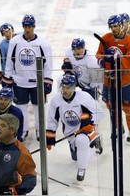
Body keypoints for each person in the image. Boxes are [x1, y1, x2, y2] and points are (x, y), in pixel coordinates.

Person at [0, 14, 53, 141]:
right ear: (23, 27)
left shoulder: (43, 44)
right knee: (21, 108)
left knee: (38, 108)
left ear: (34, 27)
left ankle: (40, 130)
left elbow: (48, 64)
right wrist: (7, 77)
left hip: (37, 83)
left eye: (30, 26)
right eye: (25, 26)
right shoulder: (15, 42)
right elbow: (10, 61)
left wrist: (47, 81)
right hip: (19, 81)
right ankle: (22, 130)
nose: (28, 29)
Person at [46, 74, 103, 181]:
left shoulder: (84, 97)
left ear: (73, 87)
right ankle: (95, 142)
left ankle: (82, 169)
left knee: (82, 142)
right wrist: (50, 136)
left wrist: (89, 120)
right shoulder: (56, 100)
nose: (65, 90)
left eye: (68, 88)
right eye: (63, 87)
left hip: (85, 130)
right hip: (70, 133)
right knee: (76, 158)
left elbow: (99, 112)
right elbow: (52, 119)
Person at [0, 113, 37, 195]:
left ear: (12, 130)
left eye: (2, 125)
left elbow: (30, 179)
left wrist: (14, 192)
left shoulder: (21, 152)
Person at [96, 14, 130, 142]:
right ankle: (117, 128)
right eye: (111, 27)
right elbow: (99, 54)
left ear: (121, 26)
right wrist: (102, 62)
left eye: (115, 26)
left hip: (125, 82)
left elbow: (128, 61)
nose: (113, 29)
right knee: (112, 107)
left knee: (127, 108)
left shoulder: (129, 40)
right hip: (109, 81)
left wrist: (118, 61)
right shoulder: (106, 38)